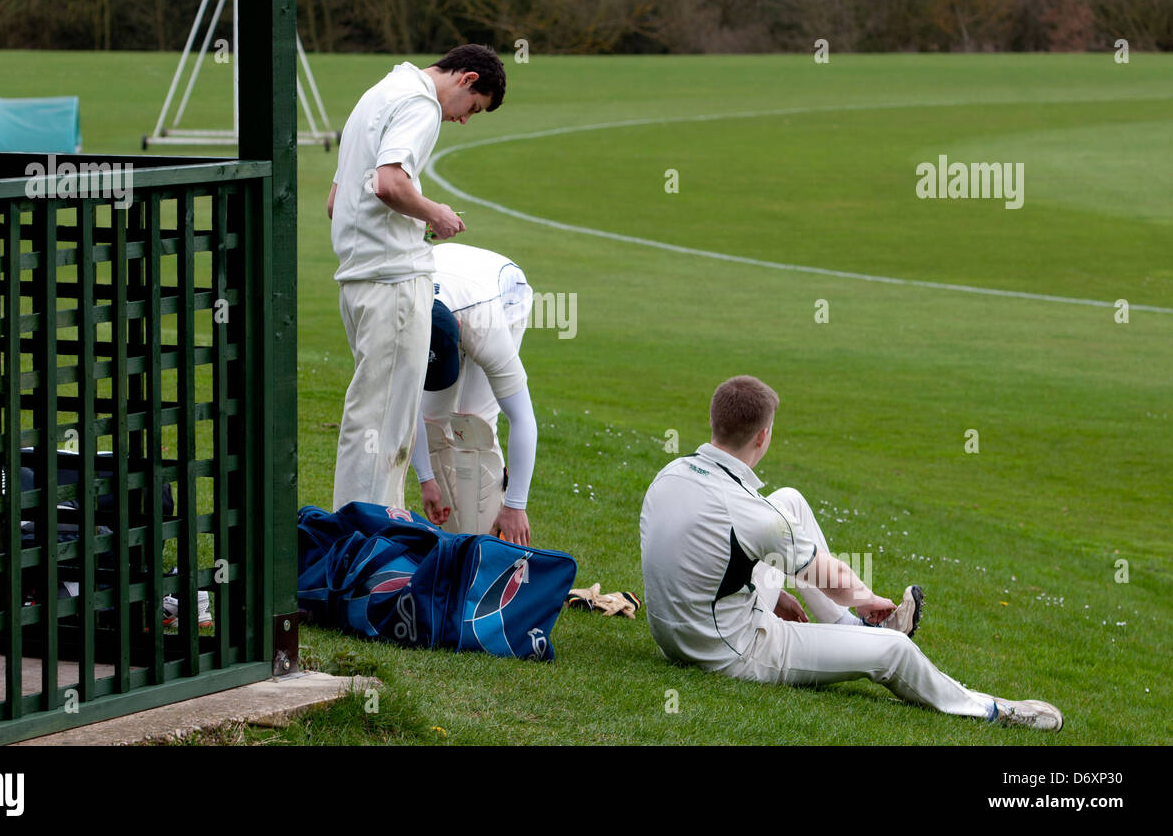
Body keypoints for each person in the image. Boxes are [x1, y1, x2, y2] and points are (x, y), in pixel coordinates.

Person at [639, 375, 1064, 731]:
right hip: (729, 649)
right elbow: (837, 583)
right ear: (763, 435)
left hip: (676, 633)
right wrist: (870, 599)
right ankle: (994, 709)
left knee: (790, 499)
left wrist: (764, 587)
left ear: (714, 421)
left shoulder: (670, 474)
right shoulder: (754, 513)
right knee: (893, 653)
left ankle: (850, 627)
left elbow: (697, 557)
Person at [326, 45, 506, 511]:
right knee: (386, 423)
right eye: (475, 108)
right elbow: (389, 183)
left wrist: (408, 221)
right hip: (393, 283)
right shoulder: (421, 104)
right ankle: (367, 545)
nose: (465, 120)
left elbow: (337, 201)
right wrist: (435, 214)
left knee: (372, 415)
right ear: (466, 79)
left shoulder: (378, 92)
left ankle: (364, 530)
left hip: (358, 278)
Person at [410, 243, 536, 546]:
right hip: (441, 289)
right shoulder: (404, 324)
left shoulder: (486, 331)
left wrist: (516, 505)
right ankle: (454, 545)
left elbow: (522, 418)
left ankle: (494, 546)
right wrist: (426, 479)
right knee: (433, 426)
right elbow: (408, 411)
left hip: (501, 298)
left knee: (473, 424)